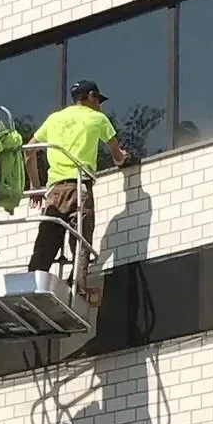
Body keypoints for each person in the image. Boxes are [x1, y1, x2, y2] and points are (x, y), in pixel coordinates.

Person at [26, 79, 127, 277]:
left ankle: (32, 282)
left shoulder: (54, 119)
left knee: (46, 242)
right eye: (98, 99)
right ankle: (78, 285)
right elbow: (116, 155)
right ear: (90, 96)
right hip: (79, 187)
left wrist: (35, 186)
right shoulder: (97, 118)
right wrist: (124, 158)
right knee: (81, 241)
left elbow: (28, 152)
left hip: (53, 192)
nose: (98, 104)